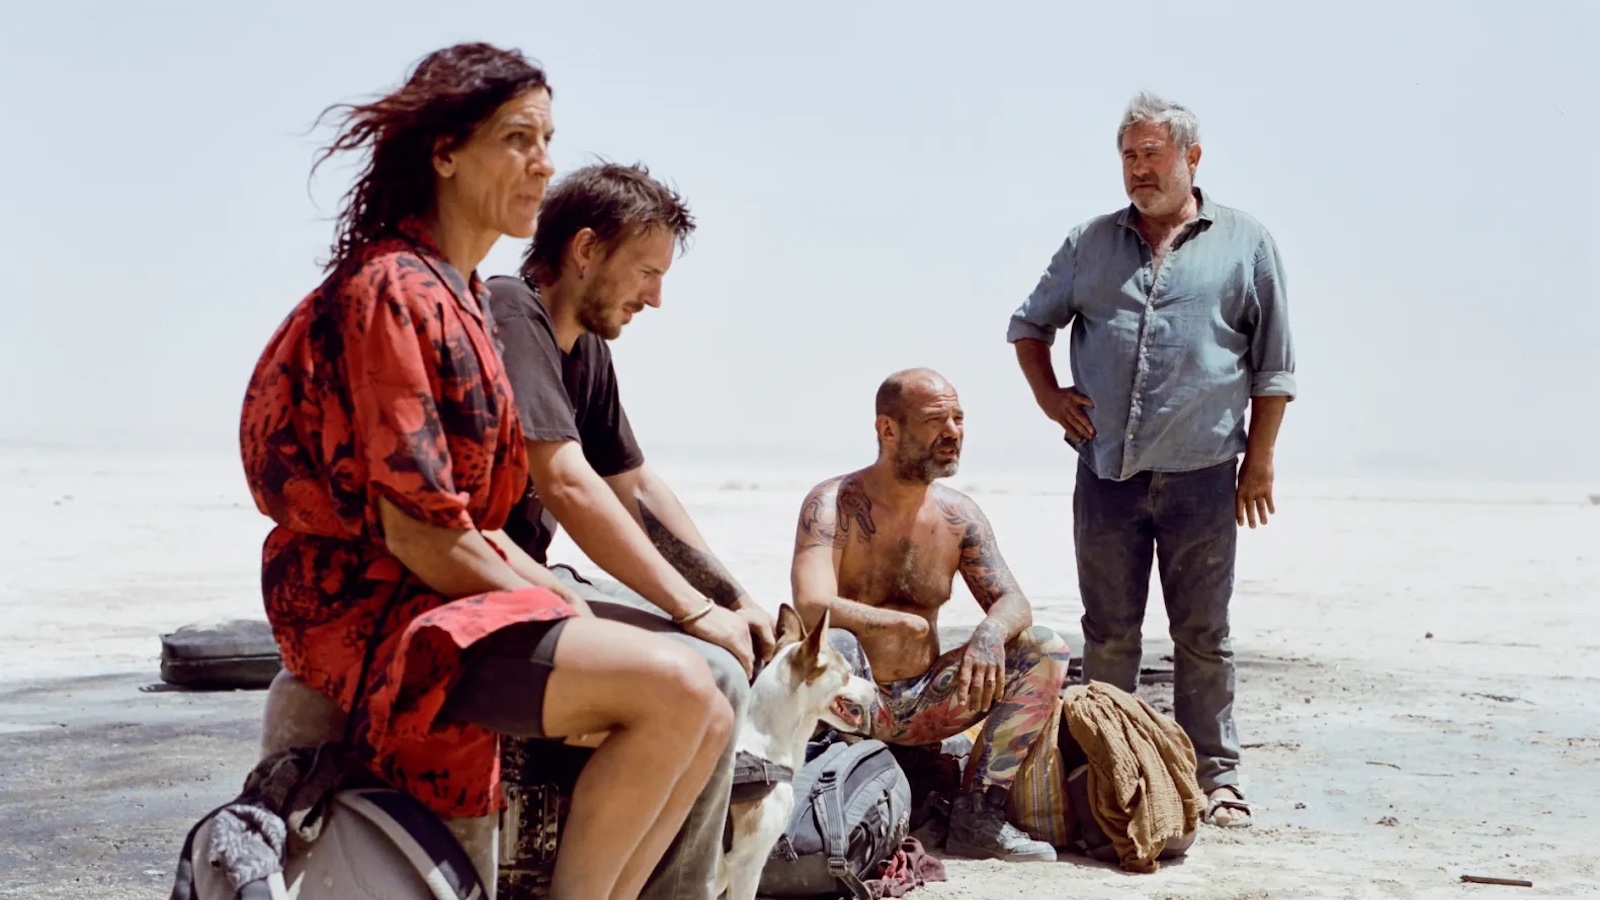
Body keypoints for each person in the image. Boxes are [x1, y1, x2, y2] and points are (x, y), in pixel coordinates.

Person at [238, 43, 733, 900]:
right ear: (445, 153)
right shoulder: (395, 289)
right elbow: (424, 533)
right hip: (380, 610)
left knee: (711, 700)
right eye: (518, 138)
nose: (543, 163)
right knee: (678, 690)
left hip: (448, 598)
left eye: (548, 139)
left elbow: (547, 503)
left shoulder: (457, 291)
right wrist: (556, 598)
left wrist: (574, 593)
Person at [484, 162, 776, 900]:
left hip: (539, 590)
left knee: (723, 671)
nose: (655, 296)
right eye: (646, 272)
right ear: (585, 251)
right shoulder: (512, 312)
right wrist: (692, 613)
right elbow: (568, 483)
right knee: (702, 671)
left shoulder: (589, 350)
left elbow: (635, 486)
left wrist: (731, 597)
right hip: (483, 593)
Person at [1005, 90, 1297, 828]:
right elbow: (1028, 325)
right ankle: (1108, 768)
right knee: (1109, 632)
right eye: (1128, 156)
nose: (1138, 168)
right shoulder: (1089, 243)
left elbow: (1274, 366)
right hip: (1106, 474)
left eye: (1151, 154)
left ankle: (1217, 777)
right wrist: (1050, 399)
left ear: (1191, 157)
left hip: (1204, 476)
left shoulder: (1245, 242)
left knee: (1204, 635)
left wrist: (1258, 464)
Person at [789, 368, 1070, 863]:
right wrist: (899, 624)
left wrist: (989, 632)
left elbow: (1014, 602)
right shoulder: (833, 503)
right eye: (936, 419)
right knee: (840, 644)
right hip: (849, 703)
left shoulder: (959, 516)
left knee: (1042, 647)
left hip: (926, 704)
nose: (954, 432)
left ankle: (979, 816)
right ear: (888, 429)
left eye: (959, 419)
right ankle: (833, 799)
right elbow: (811, 604)